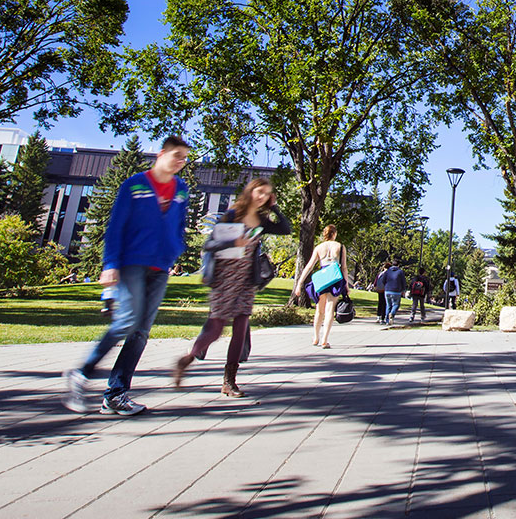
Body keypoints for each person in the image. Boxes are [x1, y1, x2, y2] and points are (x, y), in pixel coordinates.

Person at [63, 136, 192, 415]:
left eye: (185, 158)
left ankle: (116, 394)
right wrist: (110, 264)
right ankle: (82, 373)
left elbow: (179, 225)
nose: (181, 162)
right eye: (177, 155)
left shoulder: (181, 189)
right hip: (131, 262)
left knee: (141, 332)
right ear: (162, 154)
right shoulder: (134, 185)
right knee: (127, 321)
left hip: (160, 267)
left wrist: (173, 252)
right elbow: (115, 226)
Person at [173, 177, 290, 397]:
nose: (263, 196)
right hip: (225, 279)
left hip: (246, 281)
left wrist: (275, 207)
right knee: (216, 329)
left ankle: (229, 382)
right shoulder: (231, 215)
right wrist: (233, 242)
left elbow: (285, 228)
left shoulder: (262, 220)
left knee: (240, 329)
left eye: (267, 194)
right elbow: (209, 245)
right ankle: (188, 358)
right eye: (260, 192)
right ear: (250, 192)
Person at [293, 225, 350, 347]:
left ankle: (316, 337)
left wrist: (299, 283)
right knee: (330, 309)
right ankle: (325, 339)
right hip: (335, 277)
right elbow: (344, 267)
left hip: (322, 278)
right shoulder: (340, 246)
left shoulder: (319, 248)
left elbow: (309, 266)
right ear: (334, 234)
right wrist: (346, 285)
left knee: (319, 310)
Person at [383, 259, 406, 323]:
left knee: (388, 305)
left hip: (387, 290)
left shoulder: (387, 271)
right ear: (398, 265)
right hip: (396, 291)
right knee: (396, 305)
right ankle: (392, 314)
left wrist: (386, 285)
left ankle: (387, 320)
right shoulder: (400, 272)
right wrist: (403, 289)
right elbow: (403, 282)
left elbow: (383, 280)